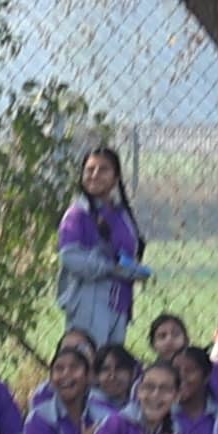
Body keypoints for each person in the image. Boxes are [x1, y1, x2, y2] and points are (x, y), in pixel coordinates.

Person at [52, 148, 144, 352]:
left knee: (112, 363)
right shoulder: (78, 214)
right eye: (90, 169)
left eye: (103, 170)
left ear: (116, 177)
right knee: (89, 358)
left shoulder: (121, 213)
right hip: (90, 299)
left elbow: (128, 252)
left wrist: (134, 269)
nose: (95, 175)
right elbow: (70, 257)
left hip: (120, 301)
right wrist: (111, 268)